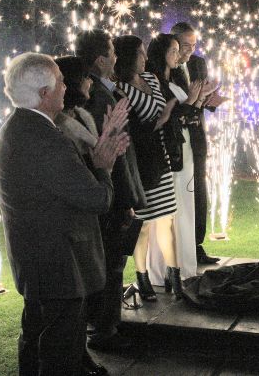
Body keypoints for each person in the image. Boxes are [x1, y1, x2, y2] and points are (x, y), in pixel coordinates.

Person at [0, 52, 128, 376]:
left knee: (38, 342)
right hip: (58, 265)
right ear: (44, 94)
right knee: (59, 354)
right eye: (60, 81)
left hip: (40, 262)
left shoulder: (22, 126)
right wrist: (103, 167)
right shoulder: (43, 140)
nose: (66, 87)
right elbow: (97, 199)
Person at [75, 29, 146, 353]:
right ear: (101, 59)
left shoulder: (106, 91)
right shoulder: (98, 98)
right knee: (111, 261)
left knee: (112, 260)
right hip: (112, 192)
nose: (117, 59)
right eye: (113, 53)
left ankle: (106, 325)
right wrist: (125, 198)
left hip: (114, 190)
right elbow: (109, 153)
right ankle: (105, 330)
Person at [112, 34, 184, 299]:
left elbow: (169, 107)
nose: (145, 57)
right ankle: (141, 277)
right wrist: (161, 118)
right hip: (140, 164)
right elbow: (133, 130)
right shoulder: (119, 89)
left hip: (160, 159)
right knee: (142, 225)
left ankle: (175, 276)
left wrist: (173, 112)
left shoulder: (152, 79)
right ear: (128, 58)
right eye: (140, 53)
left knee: (166, 221)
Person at [169, 22, 222, 265]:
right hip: (178, 137)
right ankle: (179, 245)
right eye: (185, 45)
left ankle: (197, 244)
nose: (190, 50)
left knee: (200, 191)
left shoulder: (198, 63)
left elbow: (202, 97)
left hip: (198, 135)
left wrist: (211, 98)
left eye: (193, 45)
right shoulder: (167, 67)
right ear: (174, 42)